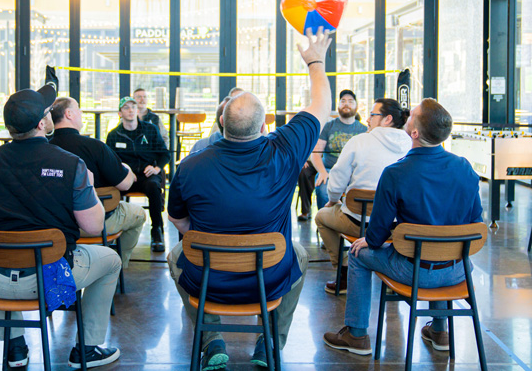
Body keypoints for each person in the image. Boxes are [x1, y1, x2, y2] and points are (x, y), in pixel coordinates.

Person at [166, 28, 332, 370]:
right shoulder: (284, 150)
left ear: (221, 123)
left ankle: (211, 340)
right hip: (267, 276)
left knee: (175, 256)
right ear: (263, 127)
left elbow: (179, 222)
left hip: (207, 277)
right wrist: (315, 60)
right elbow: (321, 106)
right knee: (299, 255)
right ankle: (269, 341)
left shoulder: (190, 165)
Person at [0, 85, 122, 369]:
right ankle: (87, 348)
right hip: (50, 276)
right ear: (41, 124)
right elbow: (94, 225)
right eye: (47, 112)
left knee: (0, 253)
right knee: (111, 260)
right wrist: (89, 187)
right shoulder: (71, 164)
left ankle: (15, 348)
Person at [323, 99, 483, 356]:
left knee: (357, 253)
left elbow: (376, 234)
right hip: (458, 270)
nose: (407, 115)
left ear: (415, 133)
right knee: (439, 244)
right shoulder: (464, 167)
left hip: (414, 271)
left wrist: (369, 241)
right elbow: (476, 220)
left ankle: (356, 335)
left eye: (413, 115)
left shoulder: (396, 173)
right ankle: (440, 331)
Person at [316, 98, 411, 294]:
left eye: (373, 115)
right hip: (396, 226)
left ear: (387, 119)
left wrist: (333, 201)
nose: (367, 119)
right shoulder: (411, 144)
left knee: (321, 217)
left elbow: (336, 182)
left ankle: (344, 272)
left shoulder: (359, 141)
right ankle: (392, 274)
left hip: (358, 220)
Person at [50, 97, 146, 270]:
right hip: (97, 224)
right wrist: (129, 171)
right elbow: (124, 185)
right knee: (139, 214)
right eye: (78, 109)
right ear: (69, 114)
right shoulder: (95, 146)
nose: (81, 113)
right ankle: (117, 266)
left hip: (55, 226)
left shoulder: (46, 149)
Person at [106, 96, 170, 252]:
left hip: (147, 175)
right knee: (111, 190)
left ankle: (157, 230)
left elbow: (164, 154)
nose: (130, 110)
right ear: (120, 113)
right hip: (124, 176)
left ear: (137, 110)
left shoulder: (150, 129)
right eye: (126, 107)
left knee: (154, 187)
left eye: (133, 107)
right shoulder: (114, 135)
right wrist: (124, 171)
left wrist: (157, 169)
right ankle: (112, 230)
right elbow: (109, 161)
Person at [297, 89, 367, 221]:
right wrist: (323, 172)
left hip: (353, 173)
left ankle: (346, 222)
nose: (346, 104)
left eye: (350, 101)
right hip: (329, 170)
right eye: (343, 101)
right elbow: (316, 153)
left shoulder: (363, 130)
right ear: (338, 105)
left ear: (356, 106)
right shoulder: (328, 126)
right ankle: (327, 224)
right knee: (323, 189)